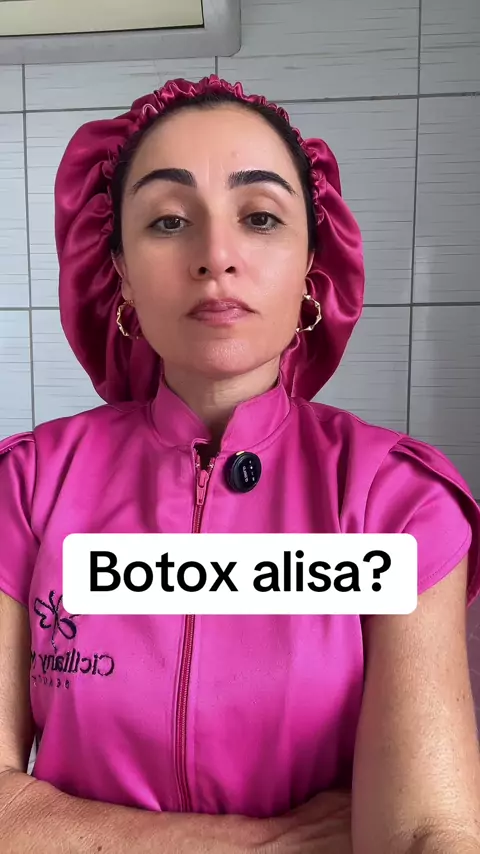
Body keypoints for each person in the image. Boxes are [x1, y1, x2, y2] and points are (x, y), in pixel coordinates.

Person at [0, 74, 479, 854]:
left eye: (259, 217)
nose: (216, 257)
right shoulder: (24, 488)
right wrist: (273, 843)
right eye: (168, 221)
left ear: (312, 265)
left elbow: (428, 832)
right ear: (119, 270)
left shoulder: (396, 503)